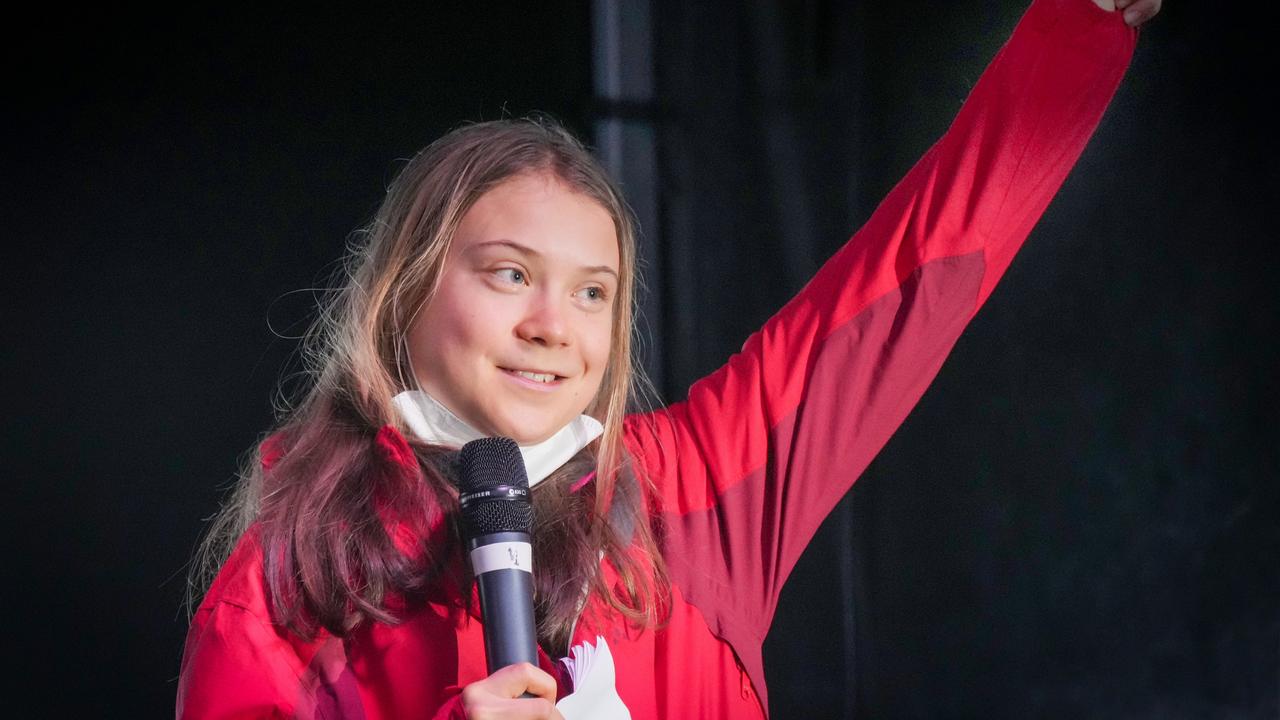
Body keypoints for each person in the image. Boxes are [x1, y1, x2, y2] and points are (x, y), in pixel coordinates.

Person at [177, 0, 1161, 717]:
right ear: (406, 292)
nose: (553, 325)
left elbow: (915, 270)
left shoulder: (693, 487)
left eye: (592, 291)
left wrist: (1077, 28)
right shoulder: (291, 581)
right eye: (510, 274)